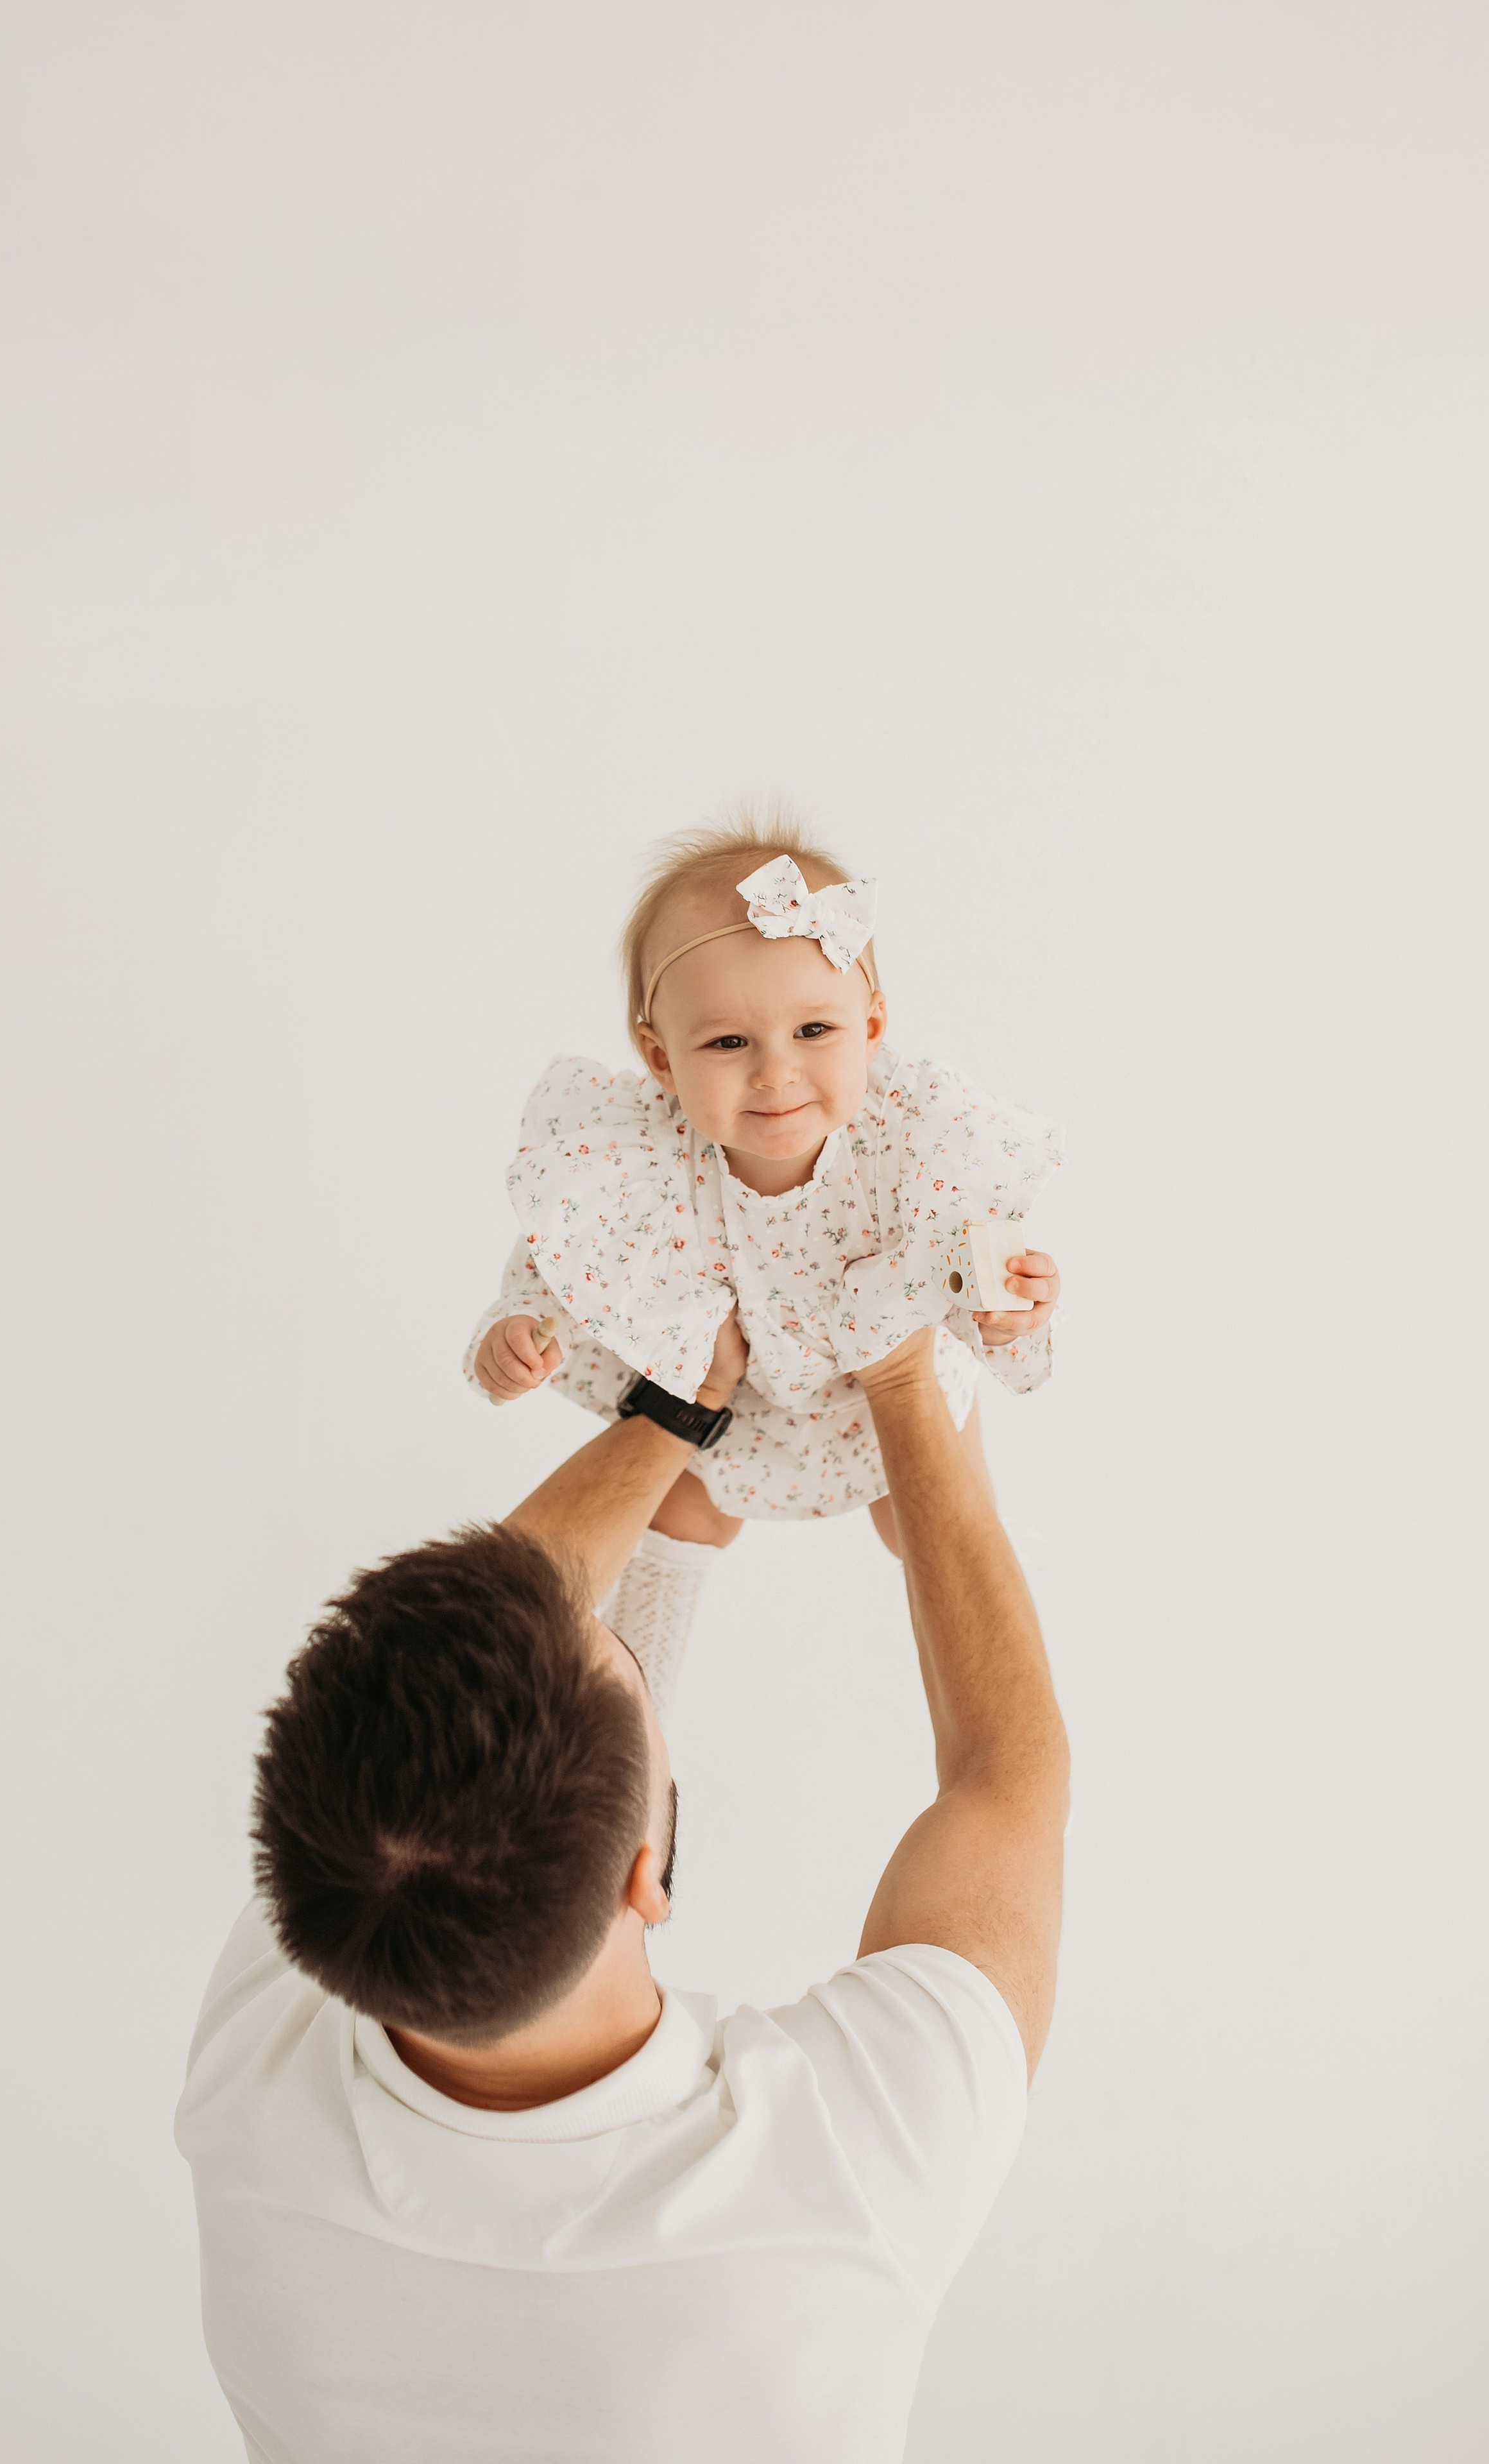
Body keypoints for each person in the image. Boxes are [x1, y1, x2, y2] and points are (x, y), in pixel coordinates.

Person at [176, 1308, 1070, 2463]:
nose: (602, 1614)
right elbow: (1007, 1778)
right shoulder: (845, 2179)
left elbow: (475, 1660)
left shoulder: (261, 2071)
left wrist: (675, 1422)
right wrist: (908, 1398)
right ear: (647, 1879)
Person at [465, 810, 1062, 1710]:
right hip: (736, 1400)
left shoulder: (915, 1140)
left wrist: (1012, 1308)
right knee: (682, 1508)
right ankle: (634, 1717)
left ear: (872, 1025)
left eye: (814, 1031)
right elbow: (566, 1260)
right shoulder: (643, 1155)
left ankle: (1001, 1676)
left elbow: (976, 1261)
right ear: (660, 1057)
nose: (777, 1074)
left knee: (935, 1520)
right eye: (728, 1043)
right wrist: (515, 1331)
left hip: (881, 1386)